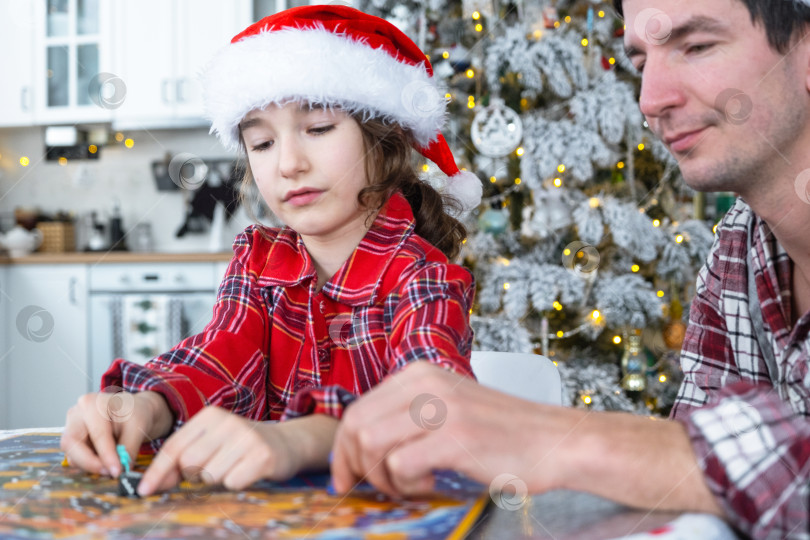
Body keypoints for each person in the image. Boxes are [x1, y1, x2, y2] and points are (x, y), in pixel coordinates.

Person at [331, 1, 810, 537]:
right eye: (640, 61)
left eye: (696, 47)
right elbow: (706, 496)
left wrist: (567, 439)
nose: (651, 101)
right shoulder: (740, 249)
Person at [60, 5, 483, 498]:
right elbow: (220, 354)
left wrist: (304, 439)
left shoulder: (423, 278)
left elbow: (436, 407)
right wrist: (151, 404)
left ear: (382, 142)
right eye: (261, 142)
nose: (288, 164)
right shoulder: (257, 262)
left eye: (319, 128)